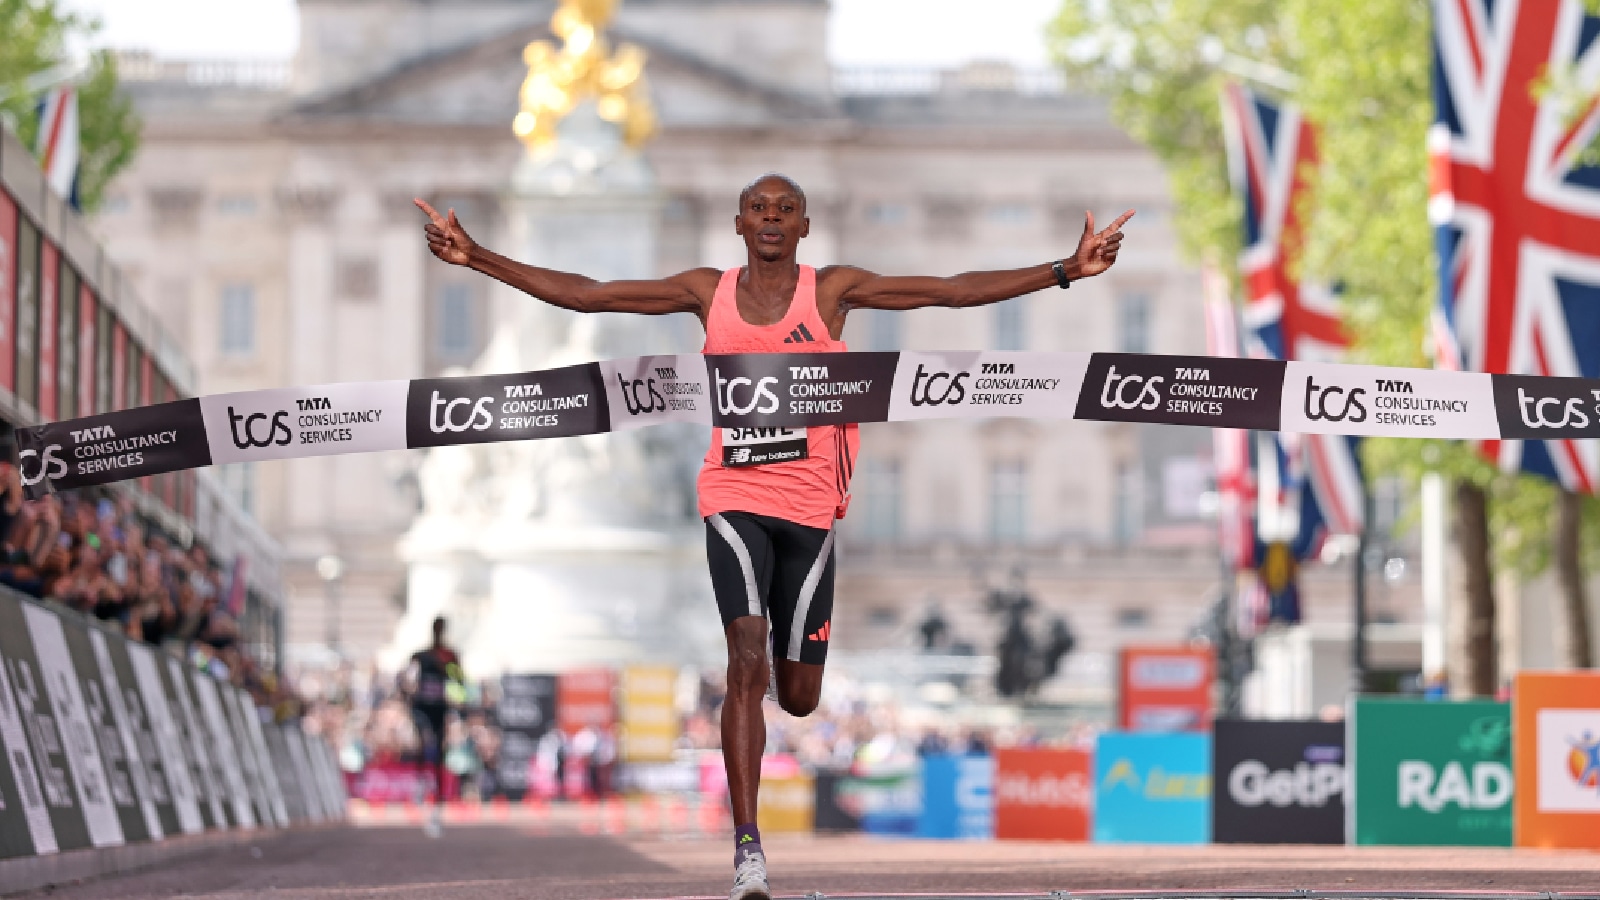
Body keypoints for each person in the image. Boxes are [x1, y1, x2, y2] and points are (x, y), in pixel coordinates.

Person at [416, 175, 1131, 900]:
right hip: (732, 495)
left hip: (812, 509)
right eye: (758, 208)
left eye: (784, 210)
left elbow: (947, 290)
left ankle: (776, 735)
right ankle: (748, 850)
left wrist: (1065, 270)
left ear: (804, 226)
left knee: (797, 696)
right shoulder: (707, 291)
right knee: (745, 663)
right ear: (737, 222)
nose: (770, 219)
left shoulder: (832, 293)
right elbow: (592, 294)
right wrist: (478, 258)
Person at [406, 616, 462, 838]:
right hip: (421, 706)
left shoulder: (450, 655)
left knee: (439, 752)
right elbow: (406, 677)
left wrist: (448, 670)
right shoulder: (419, 655)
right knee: (422, 741)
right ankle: (421, 781)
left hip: (439, 707)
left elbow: (459, 680)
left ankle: (437, 800)